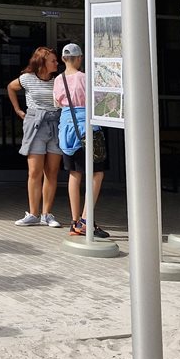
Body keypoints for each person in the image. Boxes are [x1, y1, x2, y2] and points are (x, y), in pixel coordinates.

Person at [54, 43, 109, 238]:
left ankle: (75, 221)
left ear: (62, 59)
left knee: (74, 174)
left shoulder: (58, 79)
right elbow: (100, 100)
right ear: (79, 58)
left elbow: (57, 103)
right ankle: (86, 219)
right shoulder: (85, 78)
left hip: (66, 129)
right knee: (96, 173)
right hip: (87, 129)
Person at [7, 46, 64, 227]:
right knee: (34, 171)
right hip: (35, 123)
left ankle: (47, 214)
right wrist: (17, 109)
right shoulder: (27, 79)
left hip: (55, 122)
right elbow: (10, 87)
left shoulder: (59, 80)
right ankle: (33, 213)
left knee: (52, 171)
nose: (57, 63)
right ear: (42, 62)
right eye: (53, 61)